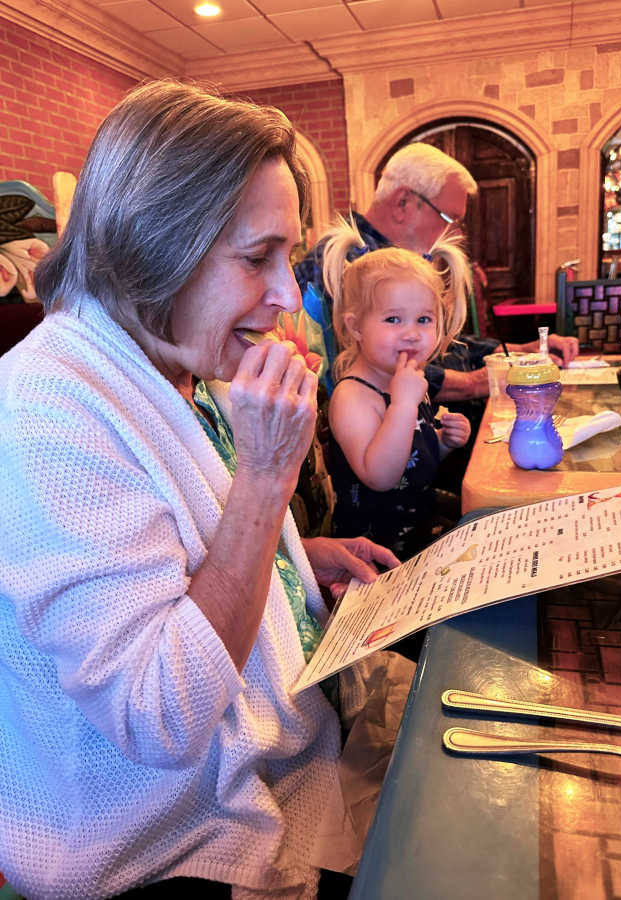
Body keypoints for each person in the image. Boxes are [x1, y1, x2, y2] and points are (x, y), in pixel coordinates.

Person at [0, 80, 400, 900]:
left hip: (293, 744)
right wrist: (267, 478)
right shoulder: (42, 413)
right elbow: (159, 713)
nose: (287, 296)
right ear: (152, 246)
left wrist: (294, 556)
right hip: (158, 846)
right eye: (257, 258)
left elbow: (177, 544)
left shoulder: (175, 359)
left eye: (288, 258)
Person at [294, 141, 579, 405]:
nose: (457, 233)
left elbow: (440, 344)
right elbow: (365, 368)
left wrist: (520, 351)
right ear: (403, 202)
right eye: (449, 219)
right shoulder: (344, 263)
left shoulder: (400, 260)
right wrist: (474, 382)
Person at [323, 222, 472, 559]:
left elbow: (410, 460)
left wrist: (443, 442)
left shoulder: (406, 380)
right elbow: (381, 475)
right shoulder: (352, 396)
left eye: (424, 320)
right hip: (380, 552)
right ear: (355, 327)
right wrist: (403, 405)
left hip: (421, 528)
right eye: (393, 319)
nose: (412, 333)